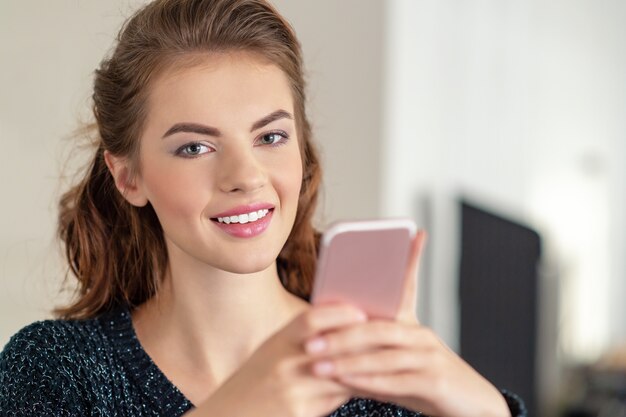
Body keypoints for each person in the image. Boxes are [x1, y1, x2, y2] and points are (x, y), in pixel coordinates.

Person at [0, 1, 526, 416]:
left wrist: (486, 410)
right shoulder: (54, 371)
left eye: (271, 136)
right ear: (128, 176)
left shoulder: (378, 385)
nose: (246, 177)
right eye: (194, 147)